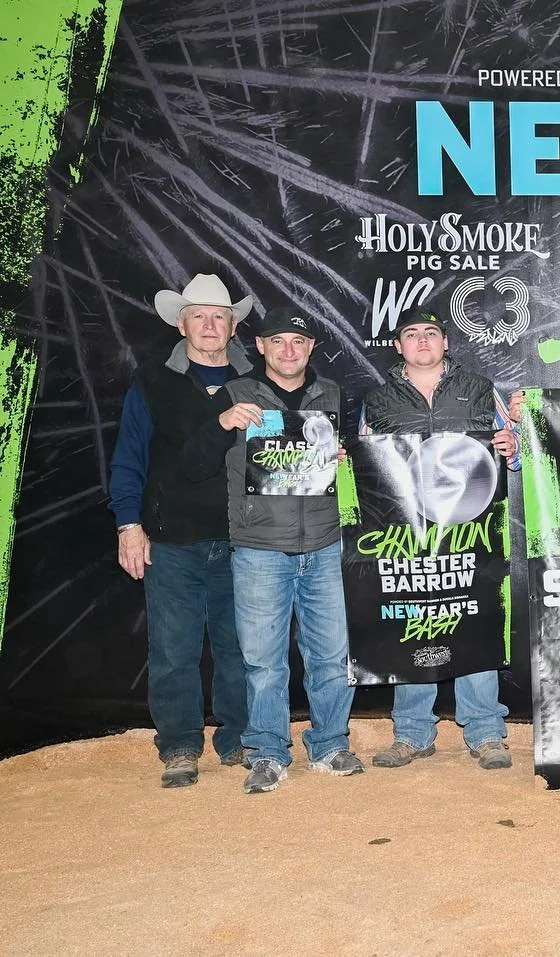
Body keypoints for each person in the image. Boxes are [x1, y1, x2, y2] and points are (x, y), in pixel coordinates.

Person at [185, 305, 362, 794]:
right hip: (260, 548)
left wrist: (345, 459)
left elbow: (354, 469)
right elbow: (192, 465)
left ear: (310, 349)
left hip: (325, 545)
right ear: (259, 346)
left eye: (299, 342)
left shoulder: (333, 395)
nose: (289, 350)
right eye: (278, 341)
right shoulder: (236, 394)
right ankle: (266, 751)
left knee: (330, 655)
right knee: (263, 659)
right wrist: (221, 423)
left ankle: (330, 744)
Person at [360, 307, 521, 771]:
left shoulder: (480, 389)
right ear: (398, 346)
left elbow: (511, 448)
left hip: (470, 528)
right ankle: (412, 733)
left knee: (474, 618)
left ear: (446, 342)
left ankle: (487, 732)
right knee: (412, 622)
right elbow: (367, 468)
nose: (423, 341)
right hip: (407, 533)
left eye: (431, 333)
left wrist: (511, 452)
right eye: (412, 334)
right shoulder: (378, 400)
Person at [109, 273, 253, 787]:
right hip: (170, 539)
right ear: (180, 322)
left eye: (219, 316)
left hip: (245, 539)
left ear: (233, 326)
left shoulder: (258, 378)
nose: (210, 324)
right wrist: (129, 524)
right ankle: (180, 745)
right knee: (174, 648)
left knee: (244, 648)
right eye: (199, 315)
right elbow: (129, 459)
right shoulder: (152, 381)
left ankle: (240, 740)